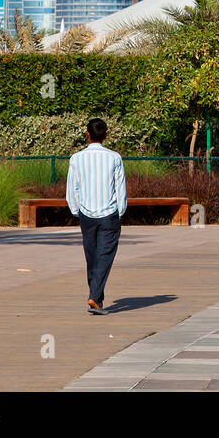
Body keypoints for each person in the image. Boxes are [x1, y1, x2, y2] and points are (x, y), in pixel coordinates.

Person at [65, 117, 127, 316]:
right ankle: (94, 296)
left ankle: (96, 297)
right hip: (109, 213)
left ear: (87, 135)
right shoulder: (114, 157)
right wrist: (121, 210)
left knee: (91, 257)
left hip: (86, 214)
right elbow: (120, 188)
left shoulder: (76, 158)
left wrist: (76, 210)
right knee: (105, 256)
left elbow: (72, 188)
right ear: (106, 135)